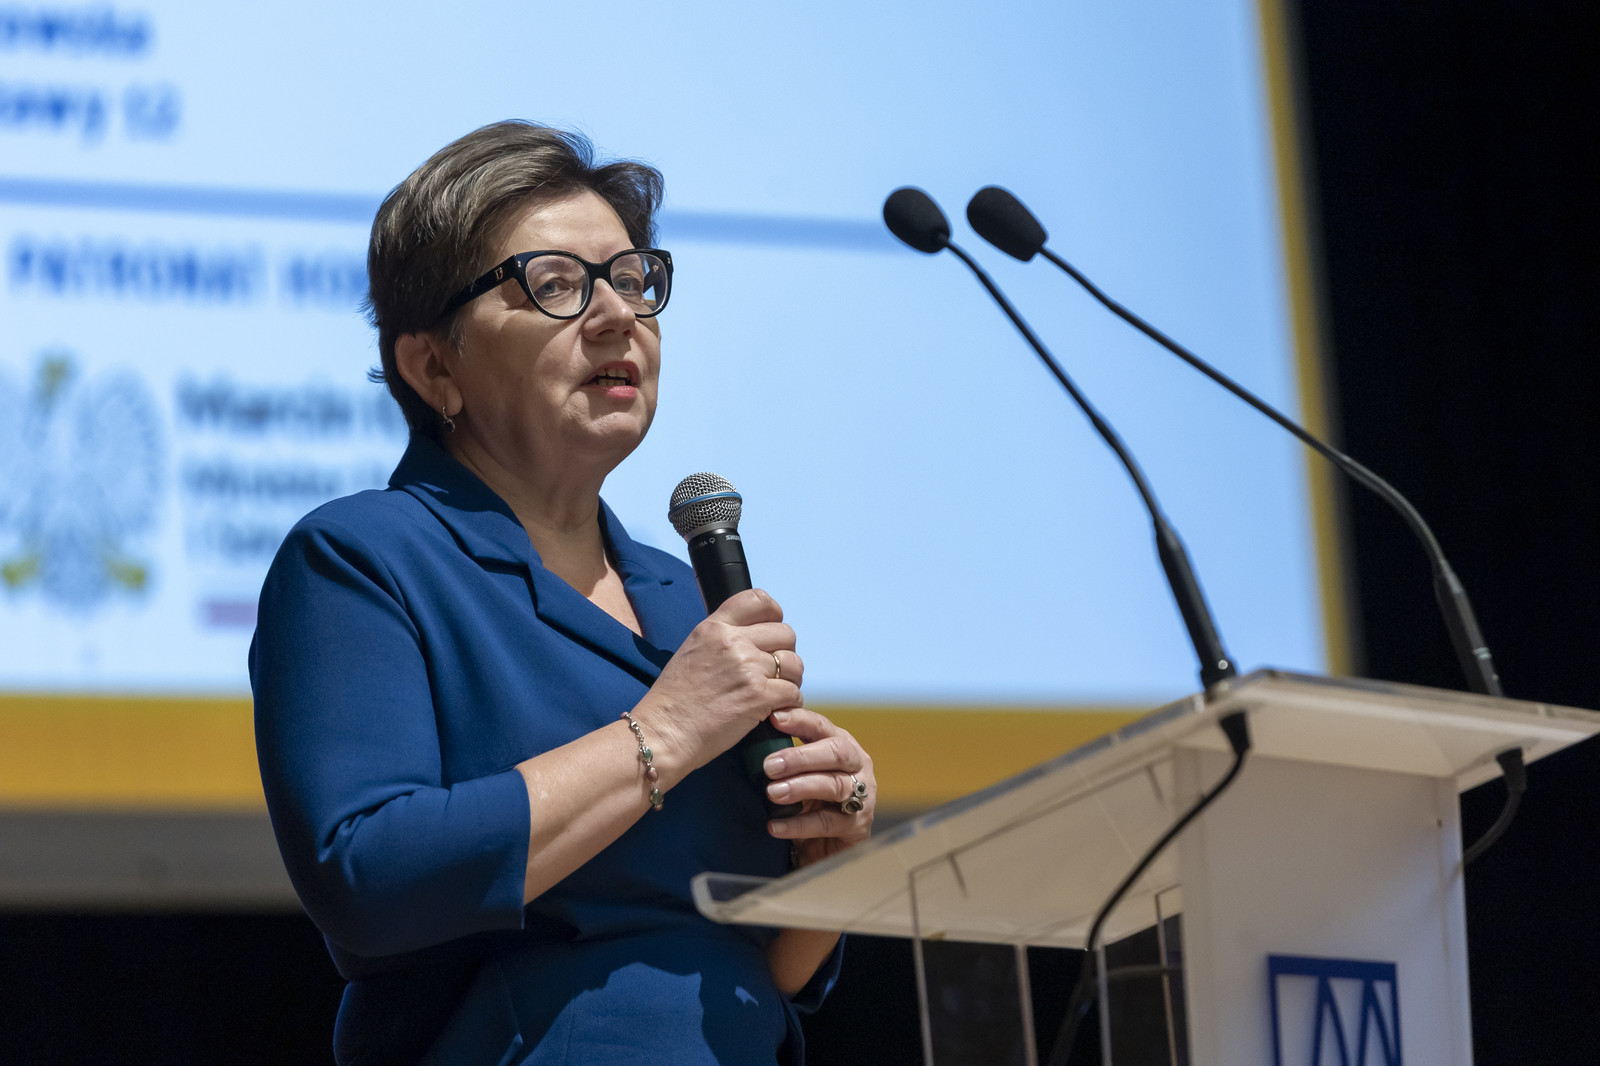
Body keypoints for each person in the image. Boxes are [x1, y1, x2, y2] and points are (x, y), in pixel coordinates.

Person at [250, 120, 877, 1066]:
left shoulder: (686, 600)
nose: (619, 314)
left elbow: (765, 967)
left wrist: (830, 858)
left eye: (633, 278)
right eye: (555, 284)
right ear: (433, 365)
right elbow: (368, 876)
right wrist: (663, 732)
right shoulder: (363, 559)